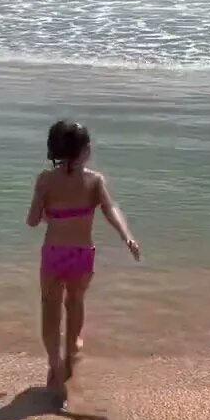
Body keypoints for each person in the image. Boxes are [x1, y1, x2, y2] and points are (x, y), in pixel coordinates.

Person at [26, 120, 139, 403]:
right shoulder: (94, 180)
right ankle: (72, 349)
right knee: (75, 303)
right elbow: (111, 208)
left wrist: (46, 213)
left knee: (49, 310)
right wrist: (126, 236)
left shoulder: (45, 180)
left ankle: (55, 364)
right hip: (82, 254)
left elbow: (32, 221)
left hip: (54, 254)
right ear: (84, 151)